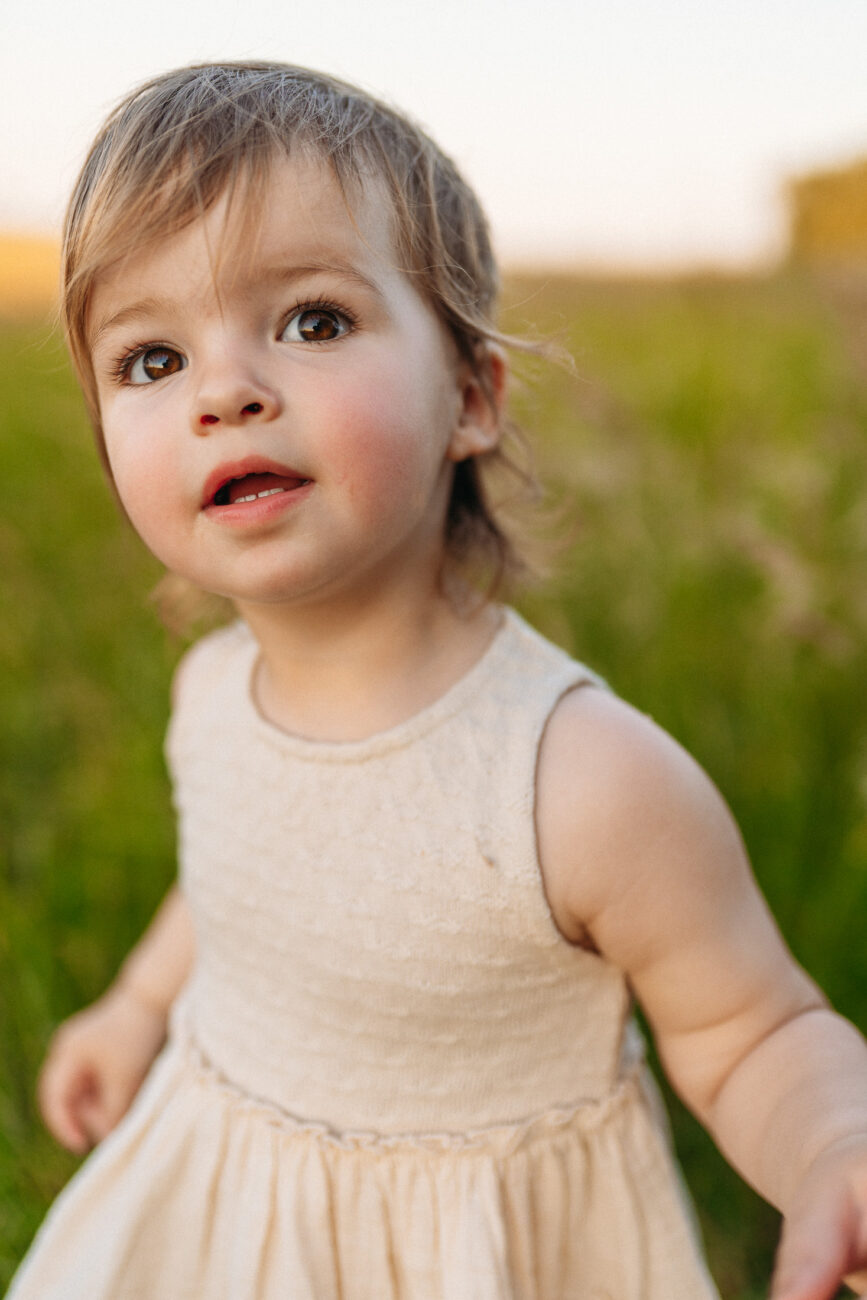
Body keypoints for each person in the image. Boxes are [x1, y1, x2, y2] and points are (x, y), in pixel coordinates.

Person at [7, 60, 867, 1300]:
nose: (223, 392)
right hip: (223, 1211)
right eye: (150, 360)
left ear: (469, 396)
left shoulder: (579, 780)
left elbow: (752, 1033)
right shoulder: (212, 691)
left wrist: (835, 1143)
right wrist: (139, 1003)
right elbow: (241, 868)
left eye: (313, 321)